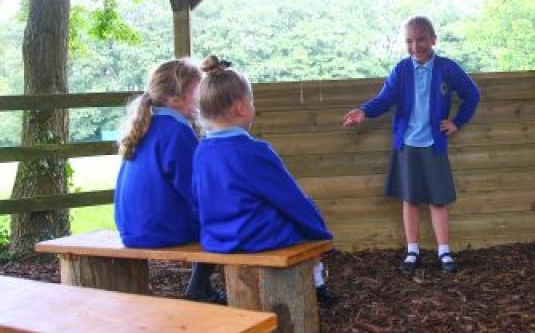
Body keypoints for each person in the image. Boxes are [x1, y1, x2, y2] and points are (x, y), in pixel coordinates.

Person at [192, 56, 336, 306]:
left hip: (217, 238)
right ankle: (317, 285)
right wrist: (321, 232)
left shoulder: (201, 151)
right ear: (241, 107)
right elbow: (291, 199)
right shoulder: (255, 151)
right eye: (251, 101)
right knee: (301, 226)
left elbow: (199, 199)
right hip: (254, 238)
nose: (252, 106)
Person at [343, 16, 480, 274]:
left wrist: (457, 122)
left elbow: (472, 94)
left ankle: (444, 251)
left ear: (433, 40)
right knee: (410, 199)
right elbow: (385, 99)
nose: (415, 46)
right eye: (409, 41)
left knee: (438, 200)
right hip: (406, 144)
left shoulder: (447, 68)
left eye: (421, 40)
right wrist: (364, 111)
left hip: (434, 144)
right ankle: (412, 250)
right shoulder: (402, 70)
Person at [114, 58, 223, 303]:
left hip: (131, 229)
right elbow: (195, 191)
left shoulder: (146, 126)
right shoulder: (176, 131)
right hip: (160, 230)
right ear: (174, 99)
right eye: (198, 92)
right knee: (224, 219)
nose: (203, 98)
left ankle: (203, 289)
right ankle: (198, 289)